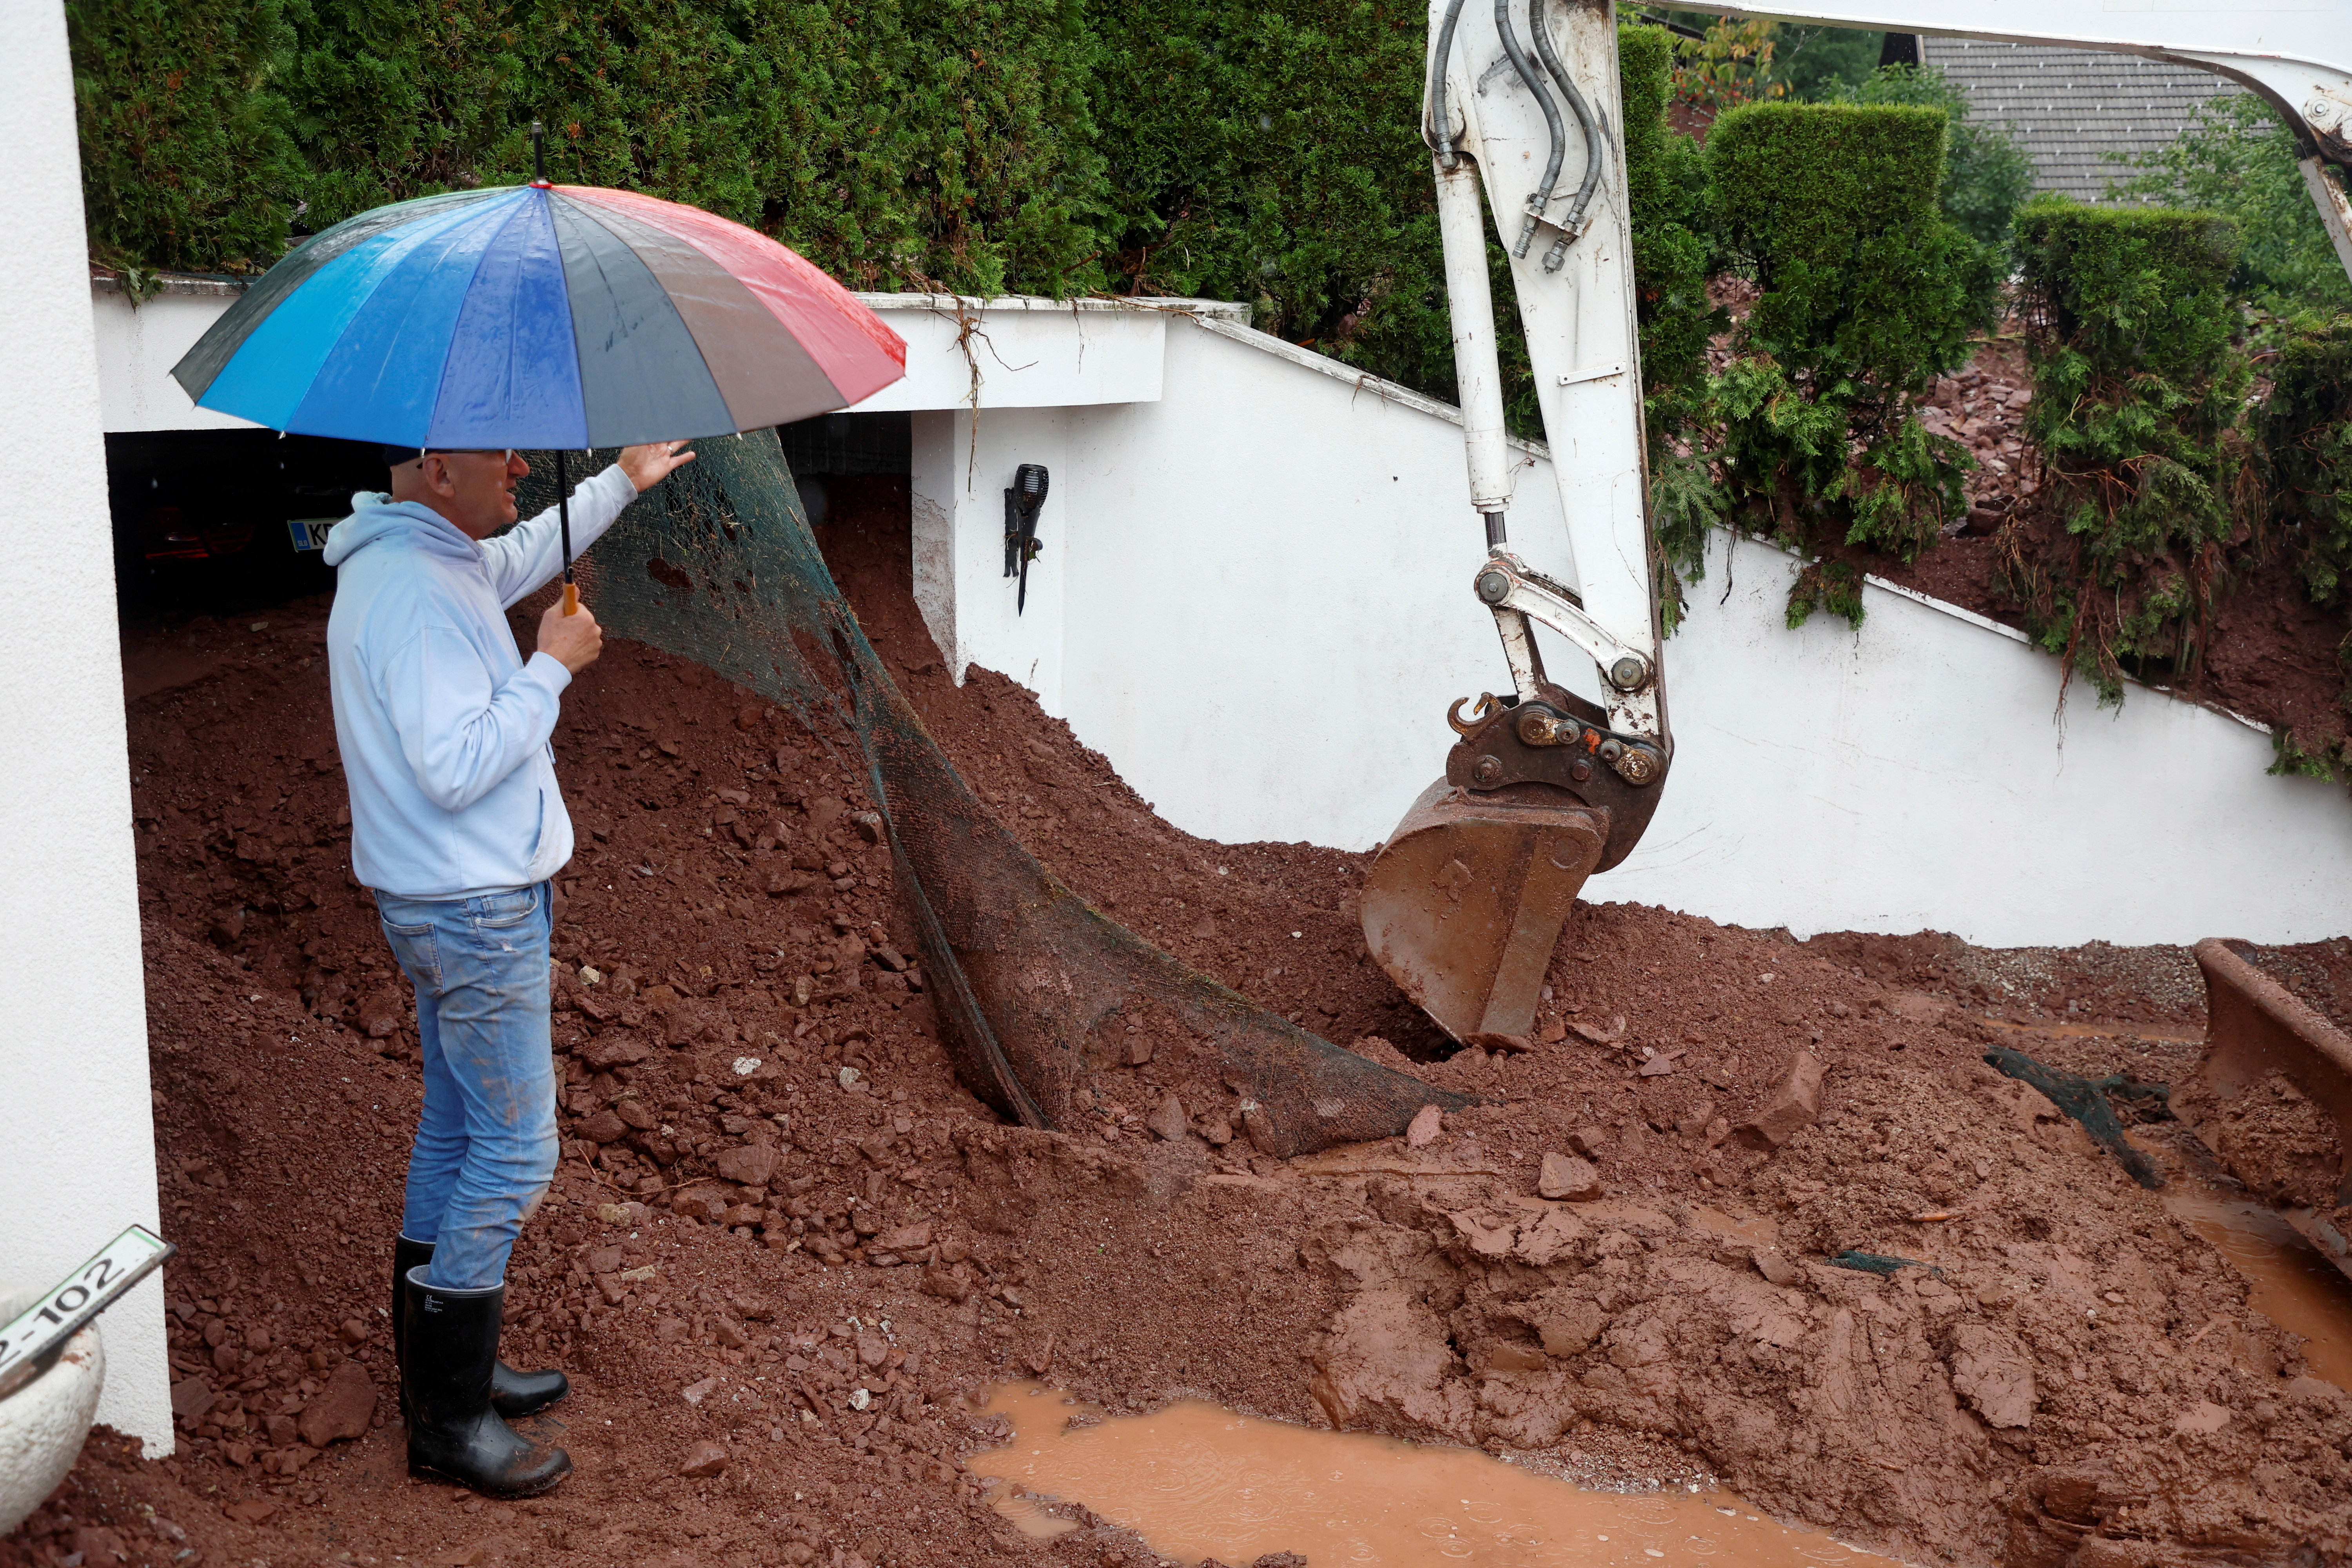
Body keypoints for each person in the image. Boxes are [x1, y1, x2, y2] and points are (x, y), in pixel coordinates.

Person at [322, 440, 694, 1496]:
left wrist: (619, 481)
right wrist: (550, 669)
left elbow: (526, 552)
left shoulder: (424, 556)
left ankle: (455, 1372)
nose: (521, 463)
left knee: (457, 1126)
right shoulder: (415, 595)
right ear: (441, 470)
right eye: (500, 452)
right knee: (518, 1154)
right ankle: (445, 1422)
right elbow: (455, 765)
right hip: (474, 910)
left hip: (442, 902)